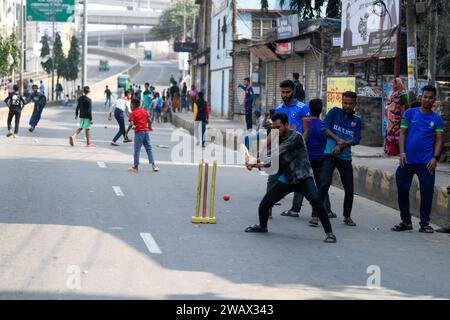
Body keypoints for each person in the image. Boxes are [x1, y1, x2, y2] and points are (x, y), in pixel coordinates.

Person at [244, 112, 336, 243]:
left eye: (279, 127)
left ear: (286, 125)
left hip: (303, 177)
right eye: (274, 128)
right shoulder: (276, 138)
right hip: (287, 178)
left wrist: (257, 158)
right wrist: (255, 165)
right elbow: (271, 162)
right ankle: (262, 226)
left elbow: (277, 151)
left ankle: (329, 233)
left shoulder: (296, 136)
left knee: (316, 201)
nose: (276, 130)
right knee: (264, 205)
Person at [392, 85, 444, 233]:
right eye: (425, 97)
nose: (427, 100)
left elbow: (440, 140)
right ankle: (406, 222)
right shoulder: (409, 113)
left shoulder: (437, 119)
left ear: (434, 100)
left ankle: (425, 223)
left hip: (426, 162)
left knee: (427, 193)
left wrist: (435, 158)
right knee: (402, 189)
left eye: (431, 98)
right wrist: (402, 153)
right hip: (407, 160)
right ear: (421, 97)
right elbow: (402, 134)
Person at [319, 91, 361, 227]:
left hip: (345, 158)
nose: (347, 106)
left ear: (355, 104)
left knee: (349, 189)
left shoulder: (357, 121)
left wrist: (343, 145)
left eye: (350, 103)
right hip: (330, 154)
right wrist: (338, 140)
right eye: (345, 103)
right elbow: (324, 128)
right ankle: (317, 214)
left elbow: (356, 139)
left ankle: (347, 216)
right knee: (324, 184)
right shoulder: (334, 112)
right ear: (342, 102)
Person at [273, 80, 311, 218]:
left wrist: (302, 147)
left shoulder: (303, 107)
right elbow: (276, 131)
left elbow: (306, 130)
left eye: (287, 92)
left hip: (296, 151)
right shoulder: (278, 109)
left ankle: (298, 209)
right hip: (282, 151)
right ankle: (268, 206)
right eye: (282, 92)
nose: (285, 95)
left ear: (293, 92)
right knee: (273, 177)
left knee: (300, 179)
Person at [305, 99, 334, 227]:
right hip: (321, 159)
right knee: (322, 186)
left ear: (309, 109)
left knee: (309, 186)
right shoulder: (323, 125)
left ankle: (314, 215)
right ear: (321, 110)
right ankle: (325, 211)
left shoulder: (305, 124)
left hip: (307, 158)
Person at [127, 99, 159, 173]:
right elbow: (149, 120)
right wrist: (149, 127)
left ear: (133, 105)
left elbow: (131, 123)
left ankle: (135, 167)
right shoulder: (144, 111)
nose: (130, 106)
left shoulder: (133, 113)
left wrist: (126, 132)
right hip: (146, 131)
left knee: (137, 149)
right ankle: (154, 165)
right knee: (149, 148)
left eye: (131, 105)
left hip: (139, 132)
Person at [385, 78, 408, 156]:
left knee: (397, 134)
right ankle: (398, 151)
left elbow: (405, 106)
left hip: (397, 118)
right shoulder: (395, 94)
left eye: (394, 84)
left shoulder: (400, 95)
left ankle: (401, 151)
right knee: (396, 134)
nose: (393, 86)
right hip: (393, 118)